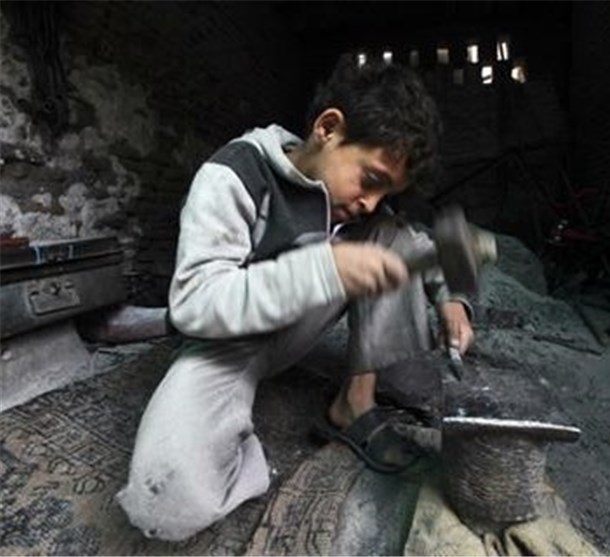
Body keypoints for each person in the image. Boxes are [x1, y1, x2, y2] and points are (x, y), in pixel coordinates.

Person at [115, 55, 474, 541]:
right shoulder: (234, 175)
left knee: (392, 240)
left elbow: (422, 247)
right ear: (328, 128)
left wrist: (452, 300)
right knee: (164, 501)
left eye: (385, 192)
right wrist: (323, 268)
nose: (371, 202)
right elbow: (194, 304)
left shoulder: (365, 211)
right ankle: (242, 447)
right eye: (371, 180)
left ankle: (355, 404)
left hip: (296, 328)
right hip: (224, 344)